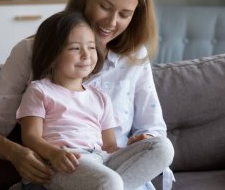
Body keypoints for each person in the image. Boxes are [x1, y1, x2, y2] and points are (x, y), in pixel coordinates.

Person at [0, 0, 174, 190]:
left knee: (161, 148)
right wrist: (17, 153)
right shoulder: (31, 54)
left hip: (114, 169)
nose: (111, 22)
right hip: (67, 168)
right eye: (105, 6)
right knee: (108, 183)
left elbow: (152, 129)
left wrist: (144, 139)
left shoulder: (134, 58)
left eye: (124, 14)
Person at [17, 11, 169, 190]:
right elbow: (30, 137)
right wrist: (54, 154)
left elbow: (110, 146)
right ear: (52, 54)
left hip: (100, 160)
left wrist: (131, 149)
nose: (86, 55)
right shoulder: (39, 90)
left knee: (162, 147)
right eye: (75, 48)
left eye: (91, 47)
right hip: (63, 163)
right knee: (110, 183)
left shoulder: (100, 97)